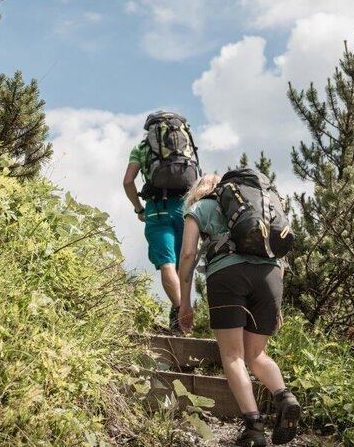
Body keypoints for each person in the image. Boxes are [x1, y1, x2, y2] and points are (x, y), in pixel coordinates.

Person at [177, 174, 302, 446]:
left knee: (233, 355)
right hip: (270, 277)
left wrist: (184, 302)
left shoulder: (200, 207)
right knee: (257, 354)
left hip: (228, 275)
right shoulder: (259, 208)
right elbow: (279, 256)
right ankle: (285, 397)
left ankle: (254, 428)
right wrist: (276, 306)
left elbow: (187, 254)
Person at [122, 111, 199, 332]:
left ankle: (179, 312)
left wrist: (139, 208)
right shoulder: (185, 146)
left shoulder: (142, 148)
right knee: (184, 262)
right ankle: (184, 314)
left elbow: (128, 182)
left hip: (157, 210)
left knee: (167, 263)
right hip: (185, 210)